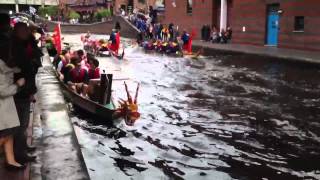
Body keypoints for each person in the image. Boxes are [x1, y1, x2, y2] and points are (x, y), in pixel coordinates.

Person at [0, 12, 27, 170]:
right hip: (2, 104)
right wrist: (18, 84)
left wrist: (17, 69)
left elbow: (6, 68)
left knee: (9, 133)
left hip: (6, 105)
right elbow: (2, 90)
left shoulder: (2, 60)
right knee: (3, 136)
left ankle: (10, 161)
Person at [12, 22, 41, 164]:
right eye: (24, 31)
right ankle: (19, 154)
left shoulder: (23, 44)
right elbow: (22, 68)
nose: (27, 33)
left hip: (25, 90)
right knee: (20, 125)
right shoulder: (15, 47)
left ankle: (22, 148)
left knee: (23, 124)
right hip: (19, 91)